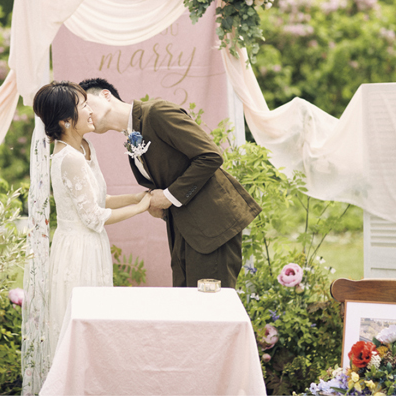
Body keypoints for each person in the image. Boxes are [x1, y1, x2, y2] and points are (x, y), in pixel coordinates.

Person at [79, 77, 262, 289]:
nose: (86, 112)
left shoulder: (156, 112)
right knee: (187, 308)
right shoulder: (131, 136)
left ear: (105, 94)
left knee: (211, 310)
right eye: (79, 110)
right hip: (183, 230)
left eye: (86, 103)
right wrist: (159, 201)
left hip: (212, 226)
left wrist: (168, 196)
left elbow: (210, 156)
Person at [32, 81, 151, 361]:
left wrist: (138, 196)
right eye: (83, 105)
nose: (90, 111)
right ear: (65, 121)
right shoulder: (68, 159)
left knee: (96, 330)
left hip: (93, 246)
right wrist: (143, 207)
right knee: (79, 335)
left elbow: (100, 198)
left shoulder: (85, 147)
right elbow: (94, 217)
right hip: (77, 252)